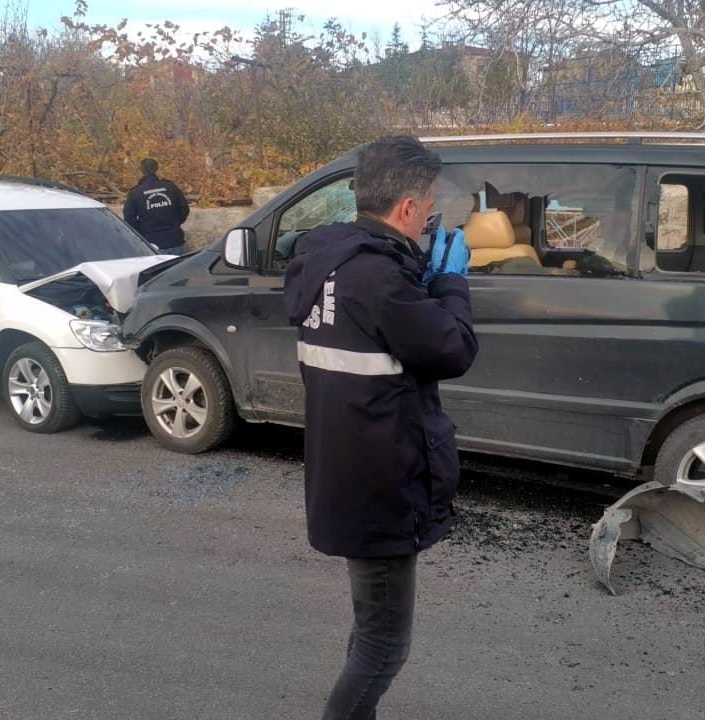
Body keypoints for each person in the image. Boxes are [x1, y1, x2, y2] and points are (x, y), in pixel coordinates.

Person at [283, 135, 477, 720]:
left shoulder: (327, 265)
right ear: (409, 209)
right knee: (384, 647)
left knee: (370, 630)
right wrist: (450, 283)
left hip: (345, 476)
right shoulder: (380, 281)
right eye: (428, 205)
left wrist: (418, 276)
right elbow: (454, 347)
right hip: (382, 488)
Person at [122, 158, 190, 253]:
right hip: (175, 241)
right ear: (157, 169)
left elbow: (129, 219)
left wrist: (142, 231)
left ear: (141, 170)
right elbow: (184, 209)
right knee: (178, 268)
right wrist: (175, 223)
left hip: (151, 245)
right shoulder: (171, 187)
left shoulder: (136, 192)